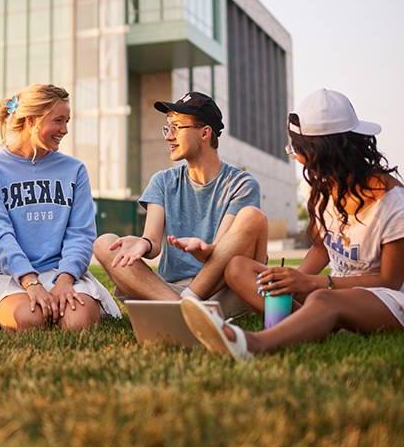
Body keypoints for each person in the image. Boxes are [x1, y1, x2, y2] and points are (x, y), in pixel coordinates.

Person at [180, 89, 404, 359]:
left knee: (323, 299)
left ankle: (253, 344)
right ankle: (320, 321)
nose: (297, 157)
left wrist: (311, 283)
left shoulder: (392, 202)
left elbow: (389, 280)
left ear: (326, 152)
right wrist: (288, 283)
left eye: (299, 150)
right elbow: (321, 248)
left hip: (386, 300)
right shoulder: (324, 189)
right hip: (334, 292)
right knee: (238, 268)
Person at [94, 91, 267, 317]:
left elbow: (222, 256)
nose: (168, 136)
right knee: (103, 243)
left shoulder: (241, 184)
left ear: (205, 133)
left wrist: (202, 251)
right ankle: (182, 310)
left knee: (251, 216)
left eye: (176, 127)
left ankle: (181, 308)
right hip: (169, 289)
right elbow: (153, 243)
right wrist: (143, 243)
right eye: (167, 128)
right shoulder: (163, 181)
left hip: (220, 288)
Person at [0, 83, 120, 330]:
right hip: (10, 276)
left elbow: (80, 233)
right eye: (58, 121)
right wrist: (31, 282)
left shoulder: (75, 170)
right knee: (31, 319)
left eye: (67, 121)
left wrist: (65, 279)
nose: (65, 130)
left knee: (77, 323)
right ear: (31, 120)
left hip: (63, 273)